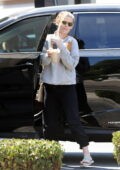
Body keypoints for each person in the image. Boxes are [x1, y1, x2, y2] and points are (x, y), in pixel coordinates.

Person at [41, 11, 94, 167]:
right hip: (50, 86)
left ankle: (87, 155)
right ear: (58, 22)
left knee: (73, 120)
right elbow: (43, 62)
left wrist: (62, 48)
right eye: (64, 22)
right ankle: (52, 156)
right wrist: (50, 54)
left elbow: (71, 65)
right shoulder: (49, 39)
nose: (66, 26)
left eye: (70, 24)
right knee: (50, 123)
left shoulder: (72, 42)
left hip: (67, 87)